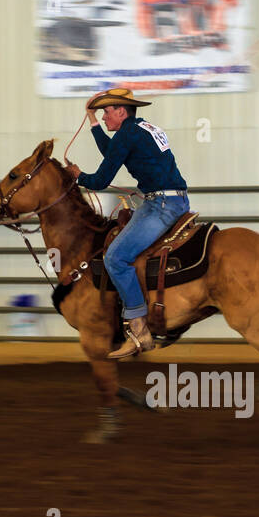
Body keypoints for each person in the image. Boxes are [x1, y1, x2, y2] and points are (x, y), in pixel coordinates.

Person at [65, 88, 190, 360]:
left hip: (161, 205)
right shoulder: (142, 129)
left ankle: (138, 328)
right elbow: (112, 152)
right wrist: (92, 119)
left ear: (121, 111)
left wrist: (78, 176)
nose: (105, 116)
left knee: (115, 259)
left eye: (107, 111)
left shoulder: (128, 134)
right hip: (173, 200)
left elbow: (99, 179)